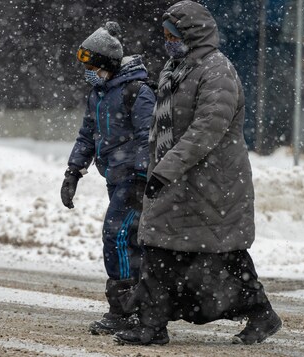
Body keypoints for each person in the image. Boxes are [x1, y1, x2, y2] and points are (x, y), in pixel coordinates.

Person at [114, 1, 281, 346]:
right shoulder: (177, 68)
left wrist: (165, 170)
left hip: (213, 183)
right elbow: (164, 129)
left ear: (192, 34)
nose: (166, 41)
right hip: (181, 181)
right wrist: (154, 169)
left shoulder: (217, 71)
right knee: (162, 249)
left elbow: (207, 129)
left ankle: (260, 313)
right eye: (164, 34)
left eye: (172, 35)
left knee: (219, 252)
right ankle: (152, 322)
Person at [60, 22, 156, 335]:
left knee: (117, 236)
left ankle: (125, 310)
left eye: (90, 65)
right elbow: (87, 135)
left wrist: (142, 175)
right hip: (114, 177)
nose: (86, 71)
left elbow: (147, 137)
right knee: (126, 240)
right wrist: (73, 171)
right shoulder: (99, 94)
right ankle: (139, 306)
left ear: (106, 65)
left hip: (133, 179)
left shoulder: (137, 92)